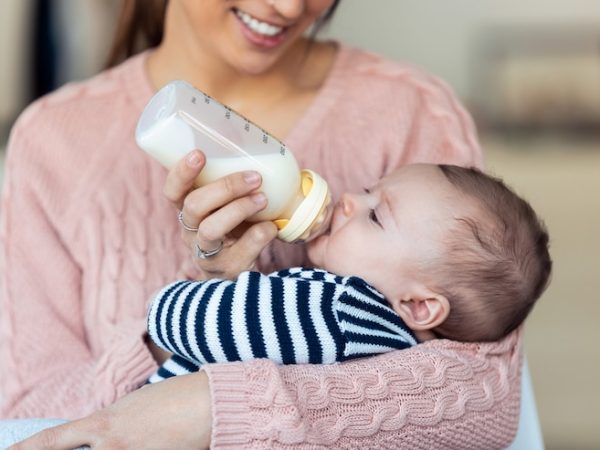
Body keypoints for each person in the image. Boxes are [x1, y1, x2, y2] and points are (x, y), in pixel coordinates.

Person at [0, 0, 527, 448]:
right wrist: (197, 308)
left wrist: (214, 408)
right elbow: (26, 415)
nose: (292, 7)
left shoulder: (412, 111)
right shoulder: (52, 142)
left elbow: (486, 396)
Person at [147, 163, 551, 383]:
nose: (347, 200)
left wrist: (170, 300)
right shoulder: (383, 342)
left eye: (375, 216)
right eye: (366, 189)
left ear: (419, 306)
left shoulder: (338, 311)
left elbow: (181, 322)